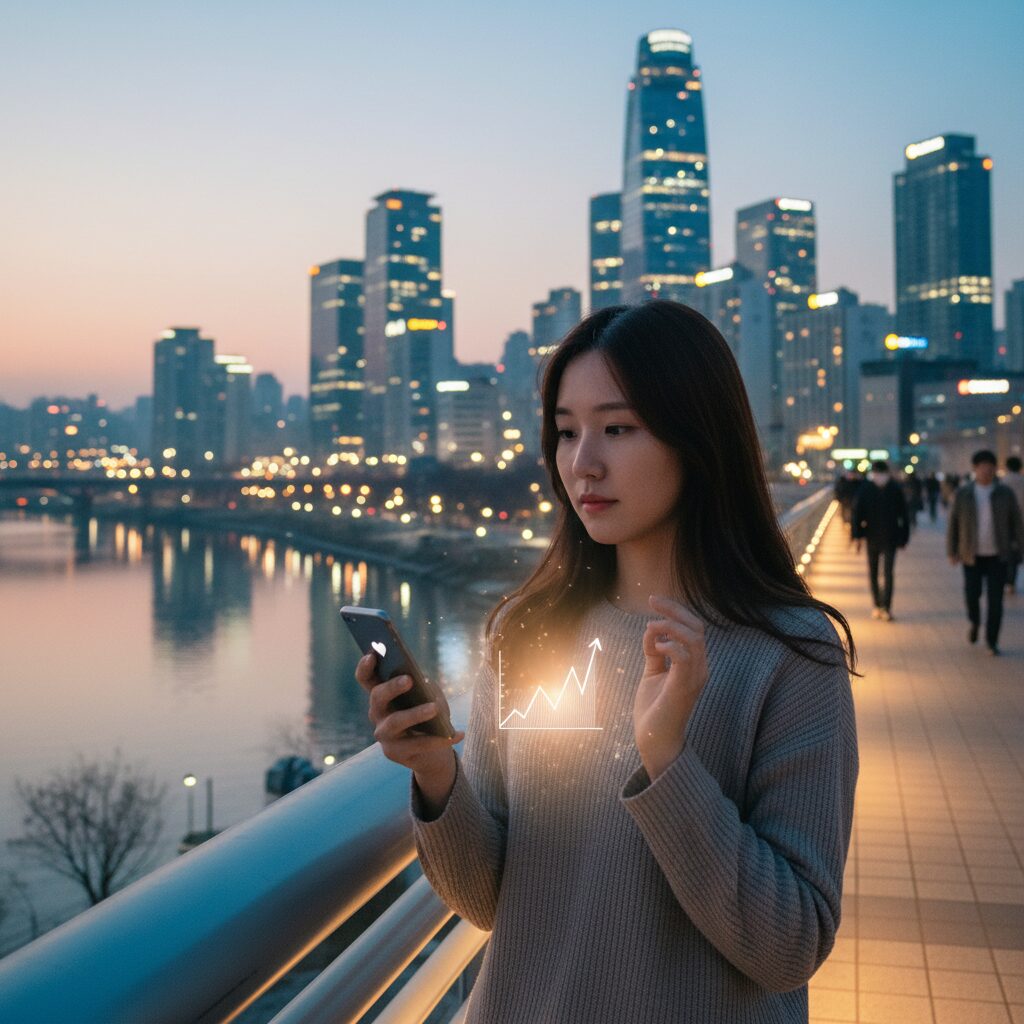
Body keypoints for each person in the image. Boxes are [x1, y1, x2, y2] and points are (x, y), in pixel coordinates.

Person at [357, 301, 859, 1024]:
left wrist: (667, 763)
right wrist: (437, 775)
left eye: (617, 429)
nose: (581, 464)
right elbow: (491, 902)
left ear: (699, 438)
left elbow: (789, 947)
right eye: (566, 432)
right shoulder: (527, 632)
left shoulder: (789, 656)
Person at [947, 449, 1024, 655]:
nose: (986, 470)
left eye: (990, 466)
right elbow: (953, 523)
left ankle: (992, 640)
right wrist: (952, 550)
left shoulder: (1004, 493)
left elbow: (1016, 522)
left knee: (995, 600)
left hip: (998, 555)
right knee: (972, 595)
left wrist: (1019, 546)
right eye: (982, 466)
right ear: (976, 468)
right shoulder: (964, 493)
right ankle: (974, 622)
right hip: (971, 554)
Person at [850, 460, 910, 621]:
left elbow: (904, 515)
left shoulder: (895, 489)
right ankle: (877, 605)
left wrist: (904, 538)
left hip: (891, 537)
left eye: (880, 473)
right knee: (873, 572)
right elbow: (857, 514)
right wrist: (857, 537)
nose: (879, 477)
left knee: (888, 573)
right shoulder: (866, 489)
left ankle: (887, 607)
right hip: (872, 537)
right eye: (876, 474)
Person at [1003, 455, 1024, 593]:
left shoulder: (1003, 482)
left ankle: (1007, 581)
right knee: (1016, 553)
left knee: (1006, 553)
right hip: (1021, 522)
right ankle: (1011, 581)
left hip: (1006, 523)